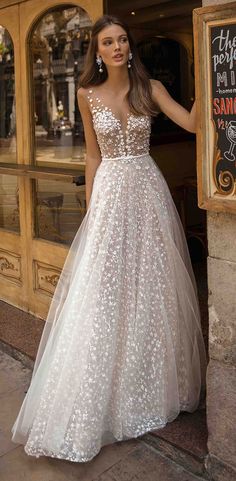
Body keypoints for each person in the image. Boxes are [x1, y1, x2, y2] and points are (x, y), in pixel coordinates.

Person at [11, 14, 207, 463]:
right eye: (107, 42)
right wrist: (93, 206)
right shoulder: (85, 95)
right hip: (111, 195)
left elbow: (194, 124)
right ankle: (101, 390)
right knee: (105, 292)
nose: (117, 47)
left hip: (148, 191)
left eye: (121, 40)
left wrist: (210, 80)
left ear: (129, 47)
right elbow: (93, 156)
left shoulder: (150, 88)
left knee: (152, 288)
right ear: (96, 52)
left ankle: (151, 386)